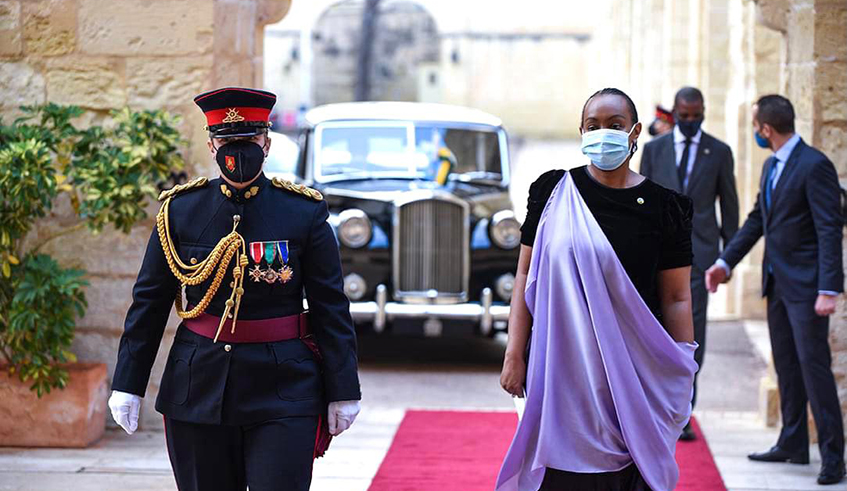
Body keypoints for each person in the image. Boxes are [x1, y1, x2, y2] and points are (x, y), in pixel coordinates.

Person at [107, 87, 362, 491]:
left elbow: (330, 305)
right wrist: (128, 382)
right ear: (211, 145)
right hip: (198, 385)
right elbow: (149, 303)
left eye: (248, 139)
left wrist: (344, 388)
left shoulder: (303, 210)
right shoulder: (180, 210)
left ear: (267, 142)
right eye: (227, 140)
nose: (237, 149)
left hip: (285, 387)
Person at [497, 88, 698, 491]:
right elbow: (524, 274)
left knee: (624, 476)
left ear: (635, 131)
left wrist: (682, 367)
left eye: (615, 126)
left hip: (635, 373)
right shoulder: (552, 192)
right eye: (594, 126)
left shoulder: (666, 207)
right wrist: (514, 354)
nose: (603, 133)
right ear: (581, 131)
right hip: (560, 368)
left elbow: (676, 296)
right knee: (562, 474)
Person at [706, 94, 845, 485]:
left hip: (806, 289)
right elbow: (757, 221)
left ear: (765, 129)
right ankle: (793, 442)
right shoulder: (771, 165)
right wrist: (724, 262)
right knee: (786, 366)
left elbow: (828, 229)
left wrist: (829, 288)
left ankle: (834, 457)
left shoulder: (814, 166)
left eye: (756, 127)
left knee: (814, 369)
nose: (756, 133)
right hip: (778, 285)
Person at [640, 86, 739, 441]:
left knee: (691, 336)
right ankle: (653, 407)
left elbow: (729, 207)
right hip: (655, 257)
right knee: (653, 330)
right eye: (685, 116)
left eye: (697, 116)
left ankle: (683, 411)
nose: (691, 122)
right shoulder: (653, 150)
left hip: (698, 260)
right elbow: (641, 199)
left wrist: (728, 259)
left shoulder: (720, 152)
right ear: (675, 113)